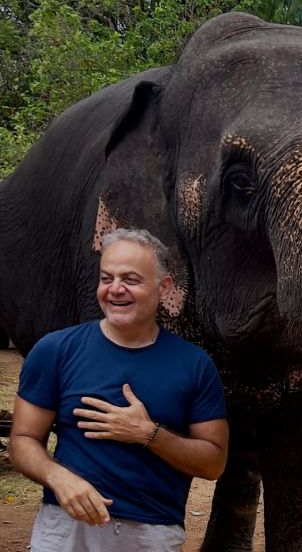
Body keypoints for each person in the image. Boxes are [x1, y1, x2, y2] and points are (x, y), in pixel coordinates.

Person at [9, 228, 228, 552]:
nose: (115, 289)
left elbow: (213, 463)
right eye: (106, 277)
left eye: (131, 279)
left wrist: (147, 433)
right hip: (65, 530)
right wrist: (58, 477)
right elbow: (22, 441)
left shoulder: (195, 365)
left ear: (163, 288)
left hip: (152, 535)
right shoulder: (55, 350)